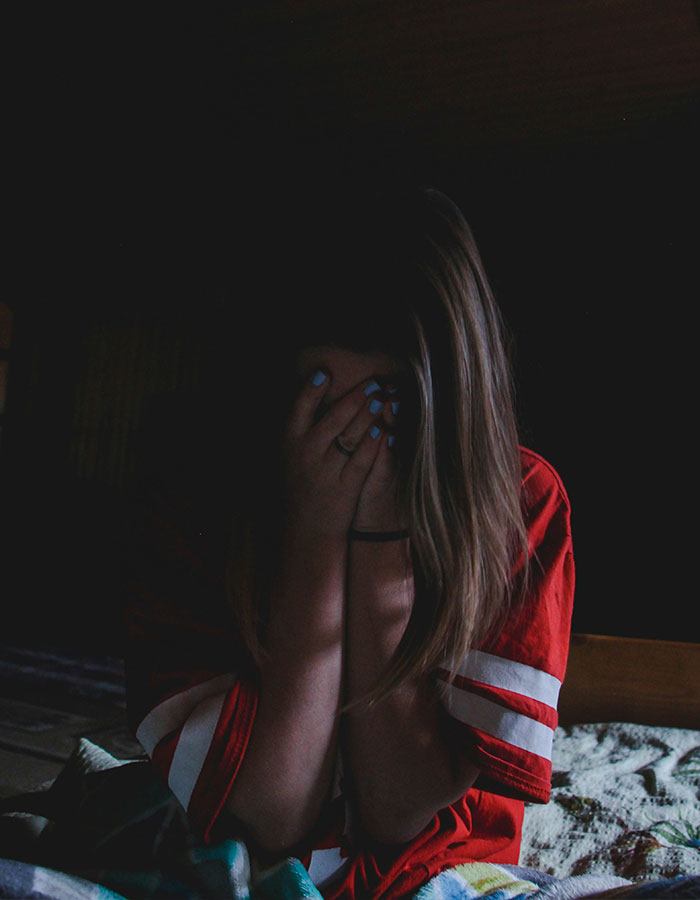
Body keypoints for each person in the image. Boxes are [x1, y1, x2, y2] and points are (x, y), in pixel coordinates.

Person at [124, 181, 574, 900]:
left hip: (438, 860)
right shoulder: (198, 497)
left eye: (387, 402)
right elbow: (271, 817)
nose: (354, 440)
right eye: (322, 392)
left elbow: (399, 811)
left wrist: (379, 544)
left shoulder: (518, 503)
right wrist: (315, 538)